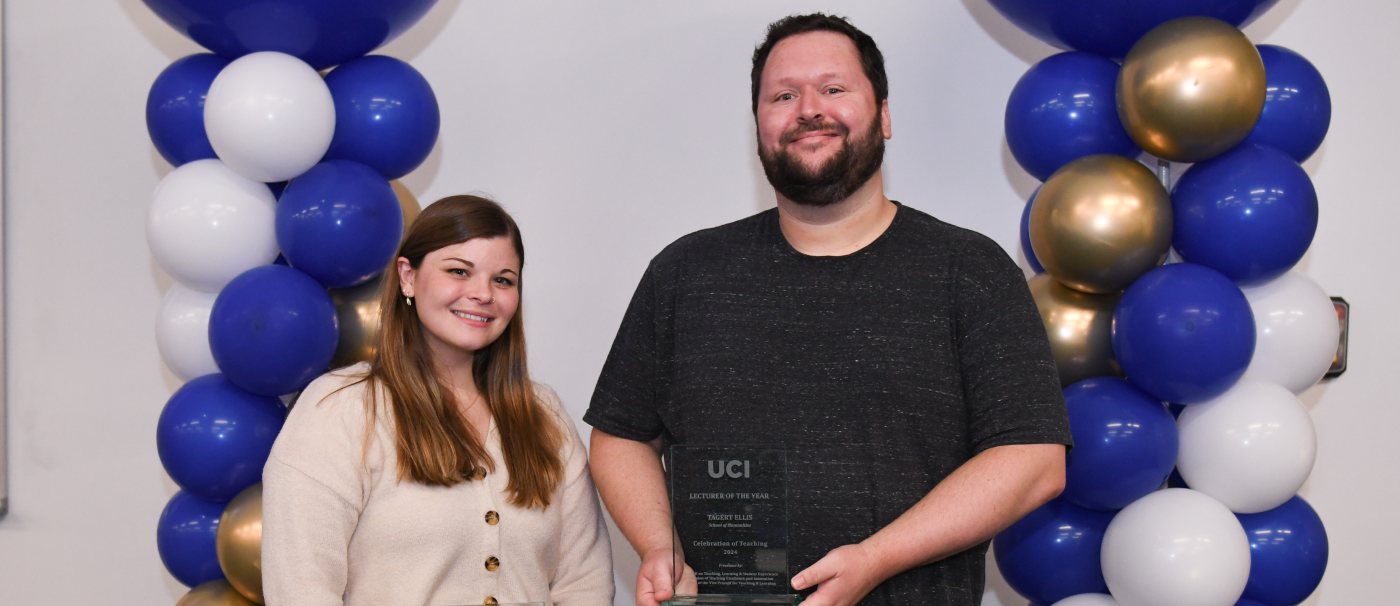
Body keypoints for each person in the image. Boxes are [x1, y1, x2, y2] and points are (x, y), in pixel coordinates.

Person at [584, 14, 1071, 606]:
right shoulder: (686, 272)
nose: (808, 109)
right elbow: (619, 437)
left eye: (833, 89)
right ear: (760, 126)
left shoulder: (968, 269)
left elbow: (1033, 460)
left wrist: (875, 560)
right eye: (783, 95)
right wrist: (660, 545)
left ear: (884, 115)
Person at [262, 195, 614, 606]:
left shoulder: (544, 414)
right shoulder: (339, 409)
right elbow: (301, 590)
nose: (483, 293)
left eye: (503, 279)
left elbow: (584, 583)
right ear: (408, 277)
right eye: (459, 271)